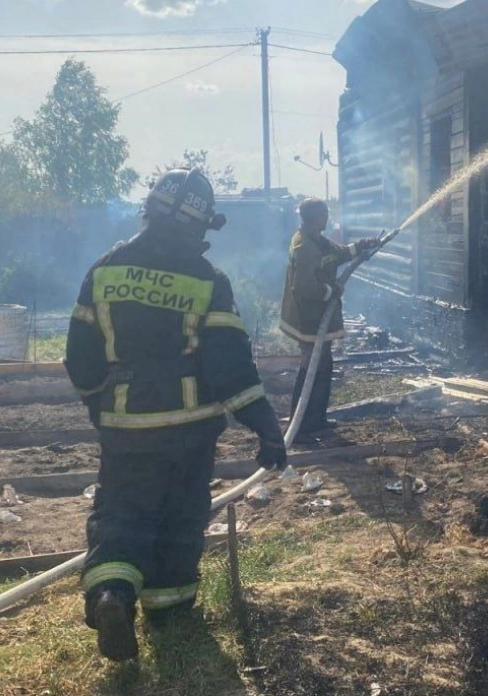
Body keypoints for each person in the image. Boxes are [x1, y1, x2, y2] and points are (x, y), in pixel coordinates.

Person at [64, 168, 288, 661]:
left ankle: (112, 594)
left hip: (125, 427)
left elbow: (79, 357)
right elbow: (229, 367)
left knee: (122, 513)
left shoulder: (105, 270)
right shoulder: (207, 280)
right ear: (200, 225)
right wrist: (266, 426)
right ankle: (169, 612)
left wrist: (99, 403)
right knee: (180, 517)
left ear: (148, 210)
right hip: (189, 431)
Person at [279, 199, 380, 443]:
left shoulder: (317, 239)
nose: (328, 217)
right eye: (325, 214)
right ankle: (300, 428)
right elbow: (304, 288)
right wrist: (331, 290)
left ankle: (316, 420)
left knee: (324, 363)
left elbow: (338, 254)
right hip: (307, 318)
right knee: (311, 366)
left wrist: (362, 246)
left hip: (317, 315)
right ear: (317, 218)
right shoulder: (304, 247)